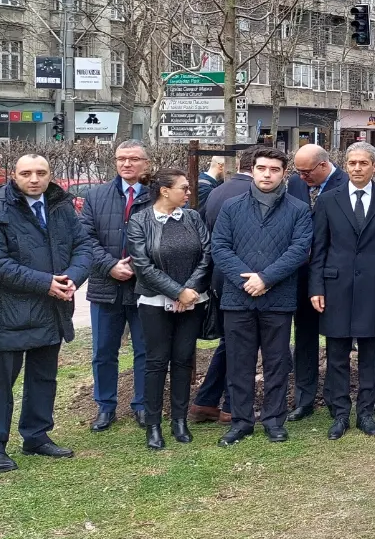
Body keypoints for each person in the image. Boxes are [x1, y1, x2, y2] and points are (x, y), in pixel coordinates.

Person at [0, 154, 95, 472]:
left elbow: (83, 246)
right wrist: (46, 283)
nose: (34, 179)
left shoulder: (60, 204)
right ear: (13, 175)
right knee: (0, 383)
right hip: (9, 310)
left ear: (49, 174)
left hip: (52, 308)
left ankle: (37, 436)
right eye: (26, 173)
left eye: (41, 173)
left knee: (44, 378)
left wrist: (73, 277)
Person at [211, 148, 315, 447]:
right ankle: (241, 422)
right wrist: (247, 280)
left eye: (274, 169)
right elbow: (220, 247)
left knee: (277, 363)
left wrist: (266, 278)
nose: (267, 174)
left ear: (284, 173)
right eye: (261, 168)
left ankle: (273, 420)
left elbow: (299, 249)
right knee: (239, 363)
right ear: (252, 171)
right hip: (238, 297)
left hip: (278, 298)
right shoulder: (231, 206)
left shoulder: (298, 209)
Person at [307, 143, 375, 440]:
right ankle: (339, 413)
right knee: (336, 352)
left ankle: (365, 412)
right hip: (335, 286)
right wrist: (316, 287)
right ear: (345, 165)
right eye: (352, 163)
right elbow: (319, 249)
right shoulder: (327, 201)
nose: (357, 168)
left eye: (363, 163)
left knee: (371, 353)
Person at [125, 169, 212, 451]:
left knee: (184, 359)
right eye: (183, 188)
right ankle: (153, 424)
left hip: (192, 301)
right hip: (154, 302)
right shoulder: (140, 221)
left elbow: (207, 255)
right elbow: (142, 265)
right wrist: (175, 291)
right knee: (156, 361)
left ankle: (179, 420)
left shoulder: (193, 217)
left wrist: (189, 291)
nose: (188, 193)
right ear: (165, 191)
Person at [80, 139, 155, 432]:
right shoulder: (95, 196)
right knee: (103, 351)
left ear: (145, 164)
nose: (127, 164)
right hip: (105, 287)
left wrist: (137, 266)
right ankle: (105, 406)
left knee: (145, 350)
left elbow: (162, 237)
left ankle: (141, 405)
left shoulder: (155, 196)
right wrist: (110, 266)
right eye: (121, 158)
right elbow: (85, 239)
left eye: (134, 159)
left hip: (144, 287)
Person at [187, 147, 258, 426]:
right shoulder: (252, 194)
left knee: (230, 342)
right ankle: (230, 406)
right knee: (242, 344)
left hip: (220, 277)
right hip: (246, 279)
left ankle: (205, 401)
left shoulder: (217, 191)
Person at [284, 143, 346, 422]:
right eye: (297, 171)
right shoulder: (296, 184)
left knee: (336, 337)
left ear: (323, 165)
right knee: (305, 337)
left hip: (335, 274)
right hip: (301, 274)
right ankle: (304, 398)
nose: (301, 176)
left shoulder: (346, 183)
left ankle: (336, 396)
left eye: (306, 171)